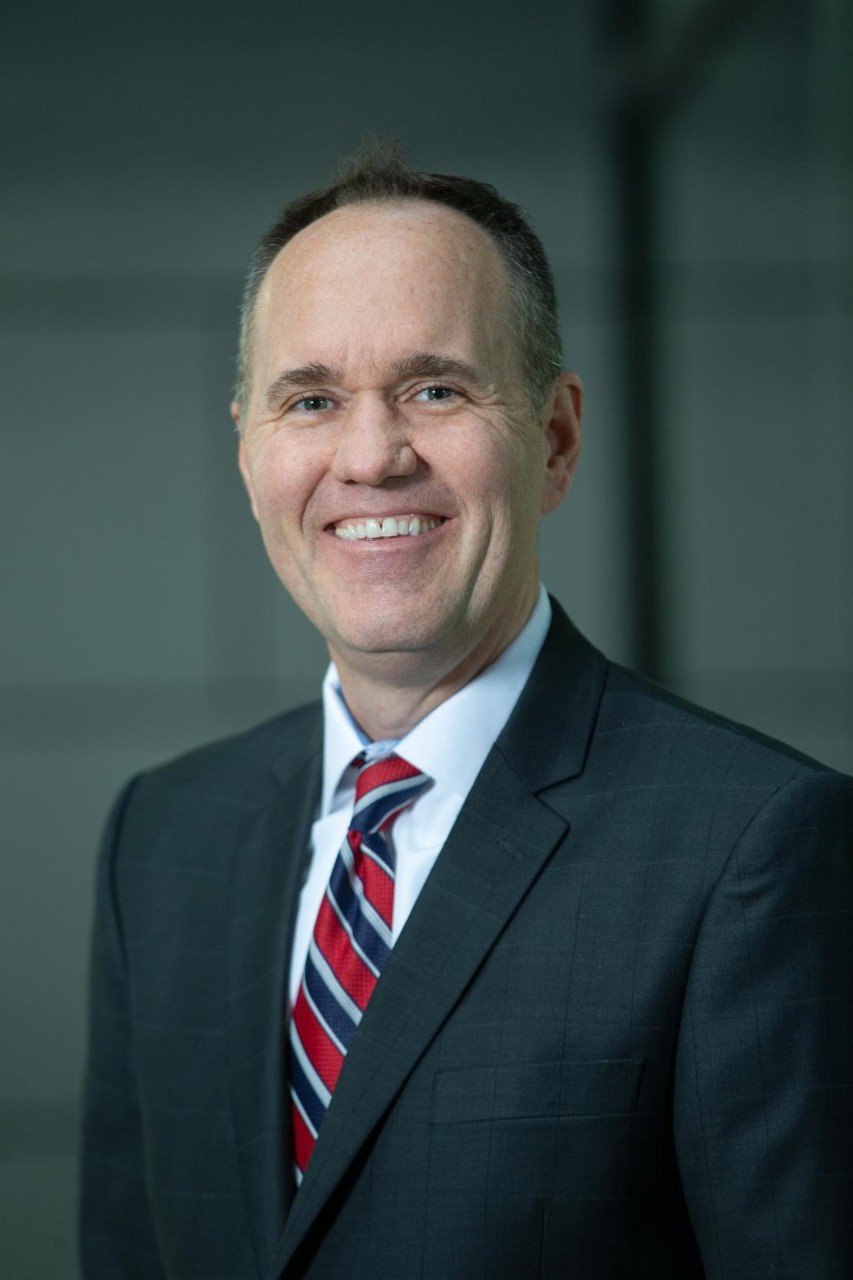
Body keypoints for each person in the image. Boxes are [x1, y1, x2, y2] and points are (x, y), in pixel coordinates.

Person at [80, 143, 853, 1279]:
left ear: (553, 437)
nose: (370, 455)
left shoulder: (754, 845)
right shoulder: (162, 837)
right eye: (311, 399)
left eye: (434, 387)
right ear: (249, 454)